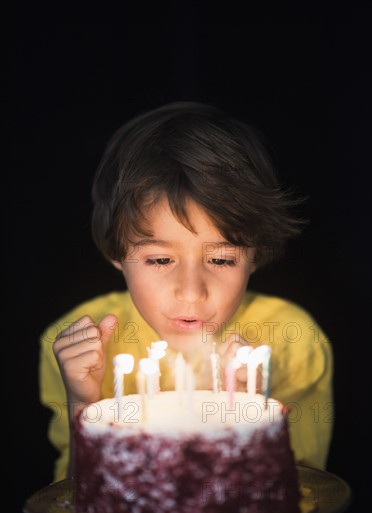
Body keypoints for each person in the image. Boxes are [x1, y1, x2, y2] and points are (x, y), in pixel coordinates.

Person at [39, 101, 333, 482]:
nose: (192, 293)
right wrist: (84, 405)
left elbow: (298, 493)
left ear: (254, 256)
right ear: (116, 252)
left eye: (222, 260)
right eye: (160, 261)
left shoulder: (293, 340)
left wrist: (247, 416)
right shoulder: (77, 349)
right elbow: (78, 499)